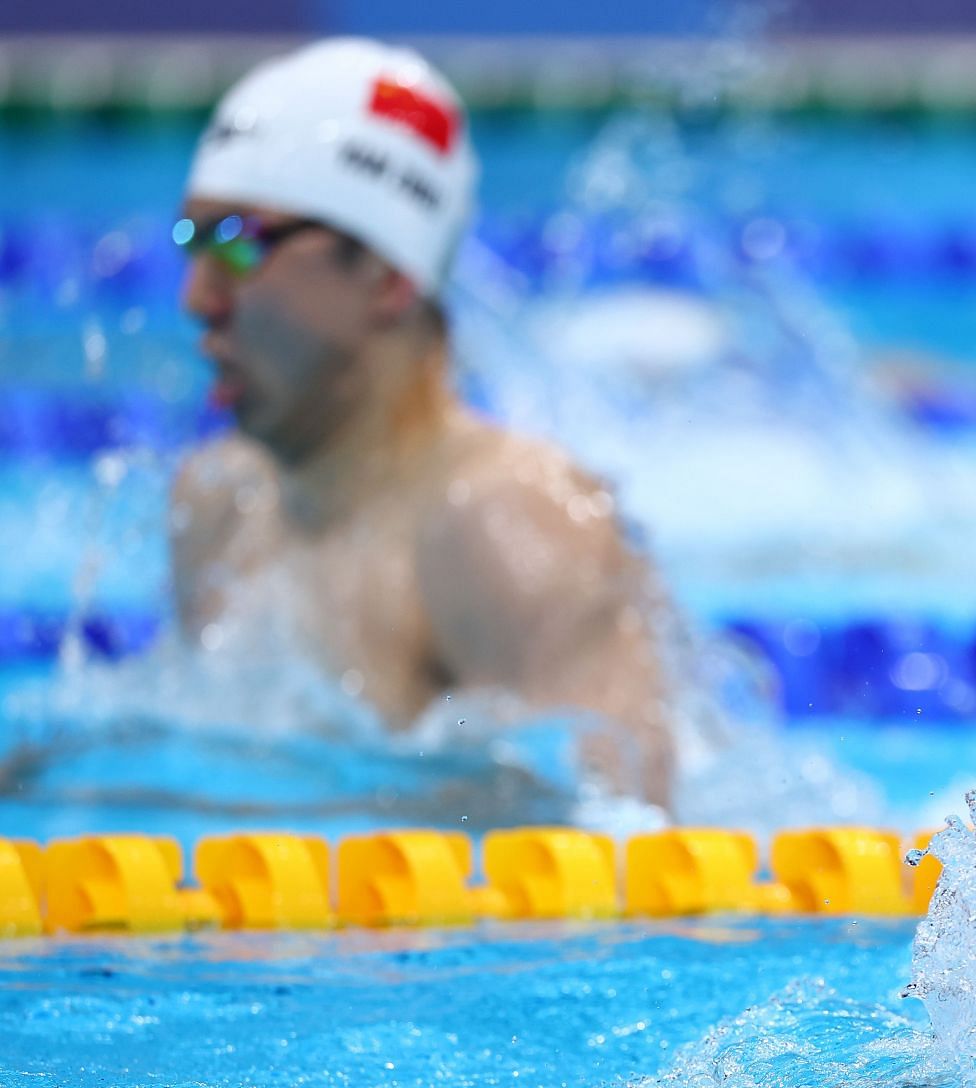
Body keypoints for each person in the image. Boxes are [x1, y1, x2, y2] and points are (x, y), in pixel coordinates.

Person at [168, 38, 673, 806]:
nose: (198, 299)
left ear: (387, 275)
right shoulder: (216, 506)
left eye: (237, 245)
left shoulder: (506, 532)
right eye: (193, 243)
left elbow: (634, 863)